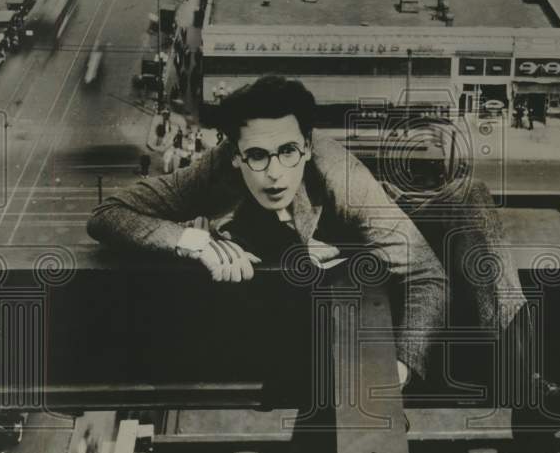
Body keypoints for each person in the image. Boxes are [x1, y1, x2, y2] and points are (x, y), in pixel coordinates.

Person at [87, 75, 446, 389]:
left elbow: (427, 275)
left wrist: (400, 367)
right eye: (257, 155)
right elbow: (109, 213)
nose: (274, 173)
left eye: (288, 151)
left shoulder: (342, 177)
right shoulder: (215, 170)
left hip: (408, 229)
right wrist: (192, 243)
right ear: (234, 155)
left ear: (306, 147)